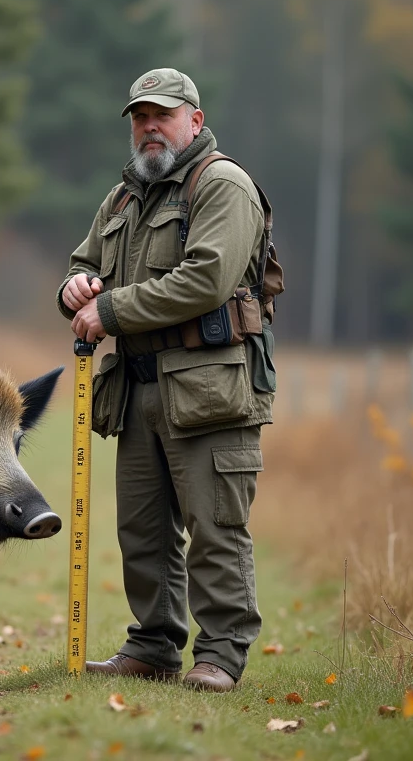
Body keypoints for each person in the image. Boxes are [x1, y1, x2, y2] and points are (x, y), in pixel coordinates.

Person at [56, 67, 279, 693]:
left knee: (214, 526)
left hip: (211, 386)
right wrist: (74, 287)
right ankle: (153, 646)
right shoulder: (124, 197)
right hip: (138, 386)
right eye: (140, 117)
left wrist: (109, 310)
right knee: (143, 531)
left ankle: (222, 654)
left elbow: (207, 280)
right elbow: (83, 263)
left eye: (163, 115)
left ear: (195, 120)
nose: (150, 127)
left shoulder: (222, 185)